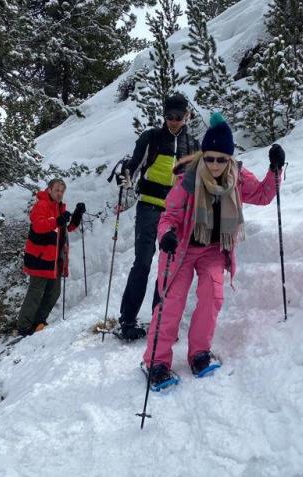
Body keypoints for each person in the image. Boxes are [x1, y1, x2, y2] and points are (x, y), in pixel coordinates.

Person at [142, 112, 285, 385]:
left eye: (221, 158)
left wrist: (275, 170)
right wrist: (167, 235)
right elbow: (169, 216)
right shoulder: (188, 179)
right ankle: (156, 362)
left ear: (230, 158)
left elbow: (264, 196)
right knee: (171, 303)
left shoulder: (239, 179)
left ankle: (199, 353)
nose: (215, 164)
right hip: (181, 249)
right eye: (209, 158)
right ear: (202, 156)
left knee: (212, 297)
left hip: (214, 250)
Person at [116, 94, 200, 341]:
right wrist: (127, 175)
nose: (173, 121)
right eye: (169, 117)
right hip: (149, 207)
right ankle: (128, 320)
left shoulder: (192, 145)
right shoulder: (151, 137)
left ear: (186, 116)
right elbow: (135, 163)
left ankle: (159, 318)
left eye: (178, 117)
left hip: (175, 214)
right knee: (142, 262)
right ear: (164, 116)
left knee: (167, 267)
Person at [17, 178, 86, 336]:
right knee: (35, 292)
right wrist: (56, 221)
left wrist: (77, 214)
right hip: (39, 258)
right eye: (57, 190)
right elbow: (38, 225)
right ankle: (23, 326)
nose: (59, 193)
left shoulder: (60, 207)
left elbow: (68, 228)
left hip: (55, 260)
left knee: (53, 293)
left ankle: (38, 322)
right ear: (49, 190)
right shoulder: (41, 205)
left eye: (62, 191)